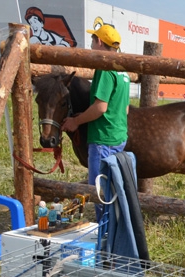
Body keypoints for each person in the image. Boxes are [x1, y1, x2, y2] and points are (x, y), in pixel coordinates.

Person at [63, 23, 129, 220]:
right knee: (112, 186)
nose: (91, 45)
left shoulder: (104, 68)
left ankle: (104, 230)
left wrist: (76, 122)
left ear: (100, 42)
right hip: (118, 136)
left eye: (93, 40)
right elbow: (124, 108)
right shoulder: (123, 70)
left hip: (102, 138)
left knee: (98, 190)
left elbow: (101, 107)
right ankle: (113, 227)